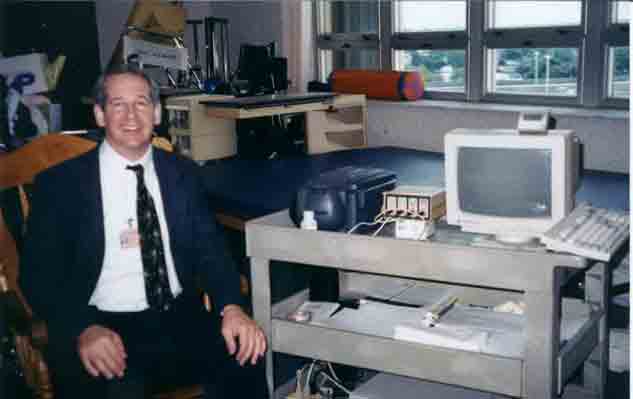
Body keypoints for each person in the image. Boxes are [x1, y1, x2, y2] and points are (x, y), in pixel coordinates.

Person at [20, 64, 269, 398]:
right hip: (100, 321)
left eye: (140, 103)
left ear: (156, 113)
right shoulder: (61, 184)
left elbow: (212, 252)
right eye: (117, 104)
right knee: (116, 387)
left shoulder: (183, 174)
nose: (130, 116)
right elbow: (38, 274)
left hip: (177, 317)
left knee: (246, 354)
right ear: (99, 114)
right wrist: (83, 328)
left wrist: (232, 308)